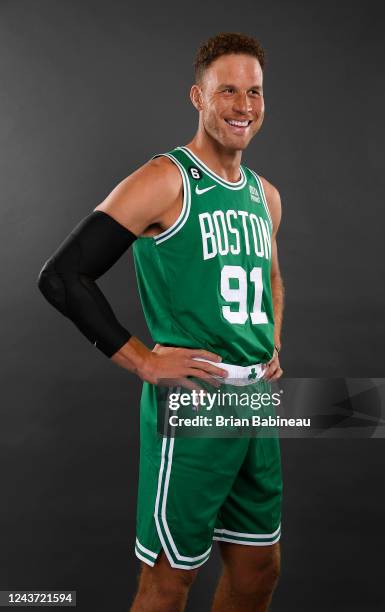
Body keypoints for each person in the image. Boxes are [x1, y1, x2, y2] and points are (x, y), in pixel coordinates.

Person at [38, 32, 285, 612]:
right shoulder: (167, 179)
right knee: (168, 582)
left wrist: (271, 340)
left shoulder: (264, 196)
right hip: (196, 404)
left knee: (258, 572)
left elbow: (270, 275)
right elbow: (63, 275)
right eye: (227, 90)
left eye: (254, 91)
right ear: (197, 97)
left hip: (257, 405)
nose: (243, 105)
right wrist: (144, 360)